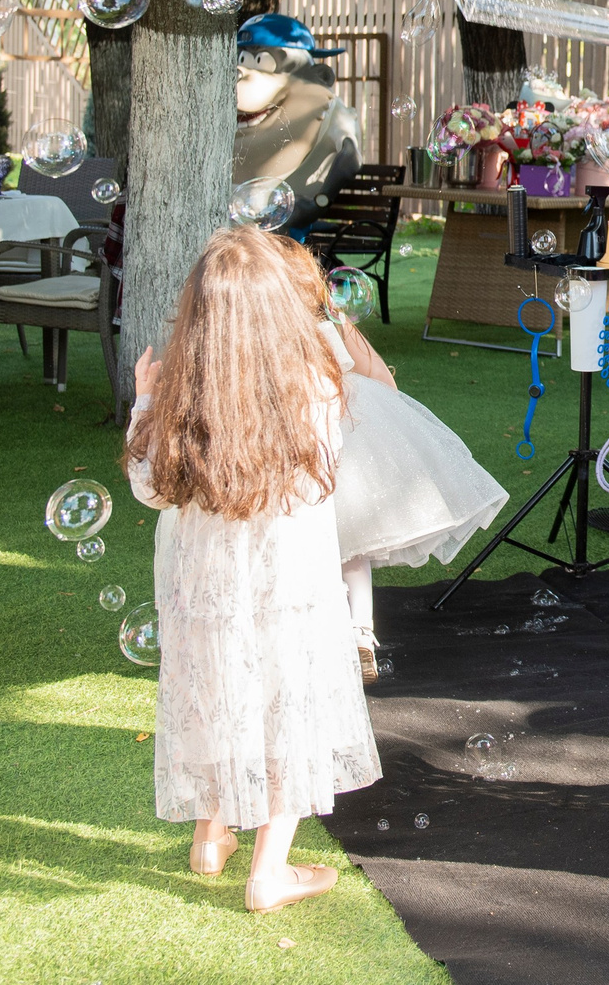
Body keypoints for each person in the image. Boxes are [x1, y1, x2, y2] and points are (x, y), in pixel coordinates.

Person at [122, 227, 379, 914]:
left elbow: (149, 487)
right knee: (287, 712)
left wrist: (144, 400)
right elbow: (318, 487)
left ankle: (210, 835)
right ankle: (270, 869)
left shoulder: (178, 395)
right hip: (290, 591)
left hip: (202, 594)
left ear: (198, 317)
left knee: (219, 698)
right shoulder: (313, 388)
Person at [315, 313, 507, 681]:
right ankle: (360, 631)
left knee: (304, 540)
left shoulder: (260, 318)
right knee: (351, 540)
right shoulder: (331, 315)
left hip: (290, 440)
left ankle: (318, 631)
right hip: (344, 431)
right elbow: (384, 382)